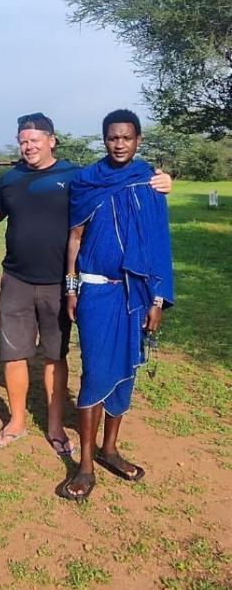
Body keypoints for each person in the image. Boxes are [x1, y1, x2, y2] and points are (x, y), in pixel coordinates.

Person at [0, 112, 172, 452]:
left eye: (35, 140)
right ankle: (16, 421)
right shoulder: (12, 179)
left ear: (52, 140)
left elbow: (120, 191)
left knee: (55, 355)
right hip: (17, 278)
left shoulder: (76, 176)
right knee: (13, 354)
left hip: (58, 283)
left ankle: (55, 426)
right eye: (23, 141)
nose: (29, 146)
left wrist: (163, 180)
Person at [61, 109, 174, 502]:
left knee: (125, 373)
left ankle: (109, 449)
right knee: (95, 373)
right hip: (96, 292)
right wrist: (72, 288)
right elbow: (75, 238)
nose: (119, 144)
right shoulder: (87, 181)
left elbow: (158, 244)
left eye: (127, 137)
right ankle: (85, 465)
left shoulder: (148, 182)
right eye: (113, 138)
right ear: (104, 139)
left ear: (138, 140)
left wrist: (156, 299)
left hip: (135, 295)